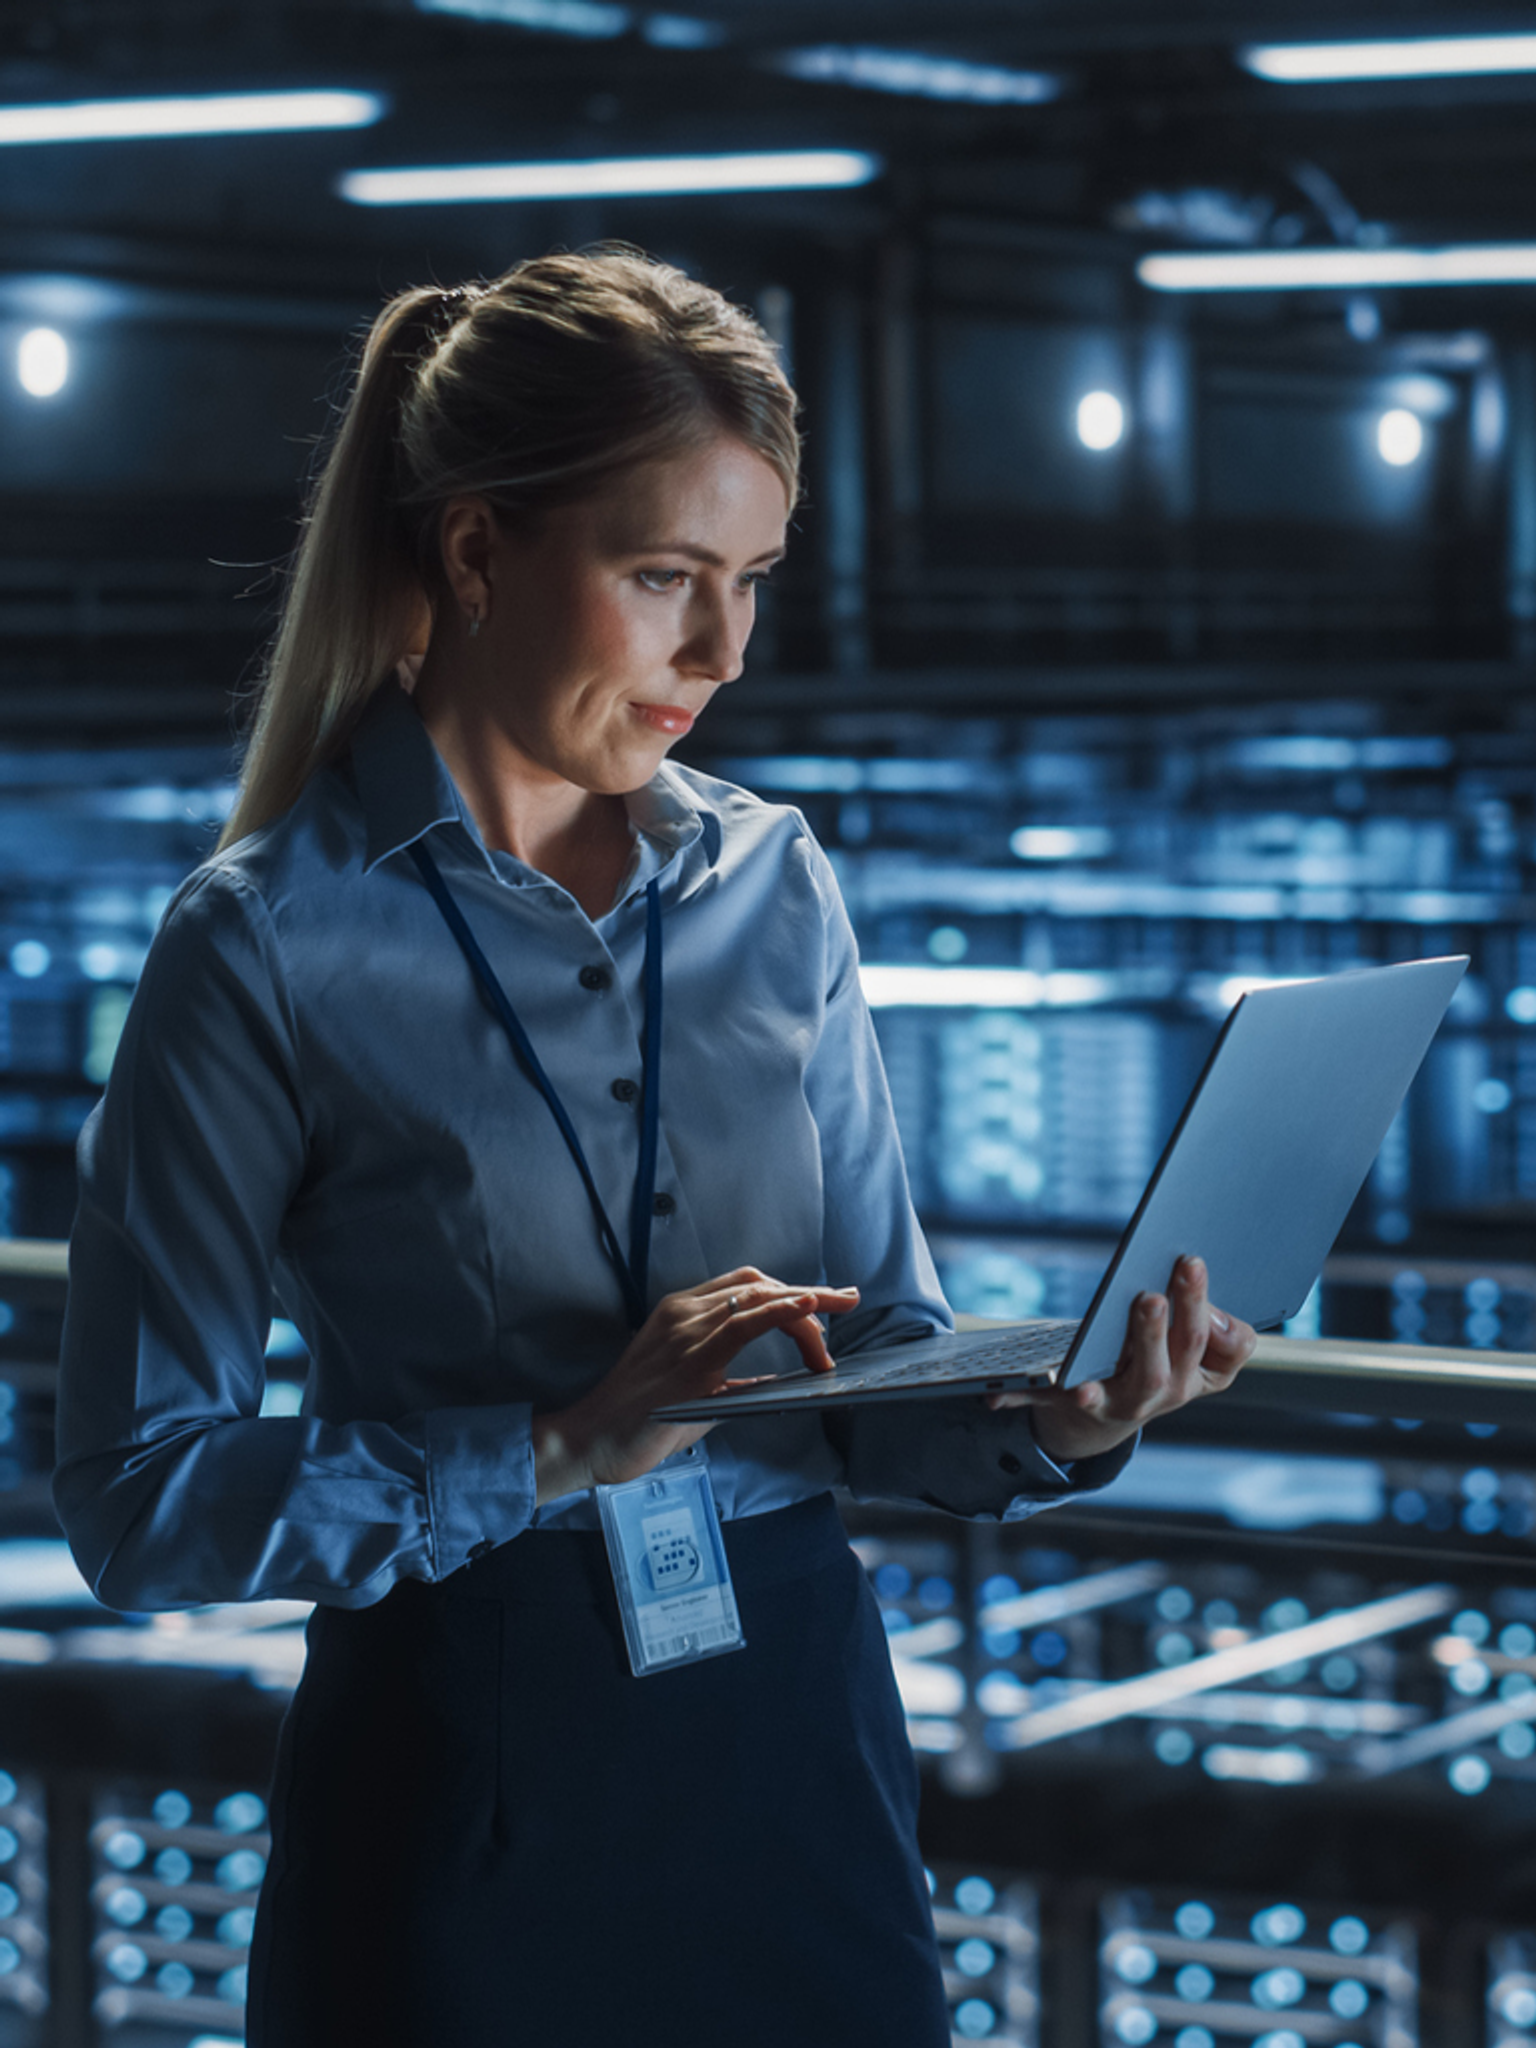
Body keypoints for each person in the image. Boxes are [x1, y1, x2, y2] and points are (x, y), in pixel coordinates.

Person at [52, 248, 1256, 2045]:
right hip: (471, 1755)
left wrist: (1063, 1418)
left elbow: (880, 1352)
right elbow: (139, 1496)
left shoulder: (779, 882)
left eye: (751, 582)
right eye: (662, 578)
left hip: (794, 1738)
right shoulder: (263, 945)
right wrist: (551, 1449)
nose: (725, 652)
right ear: (474, 552)